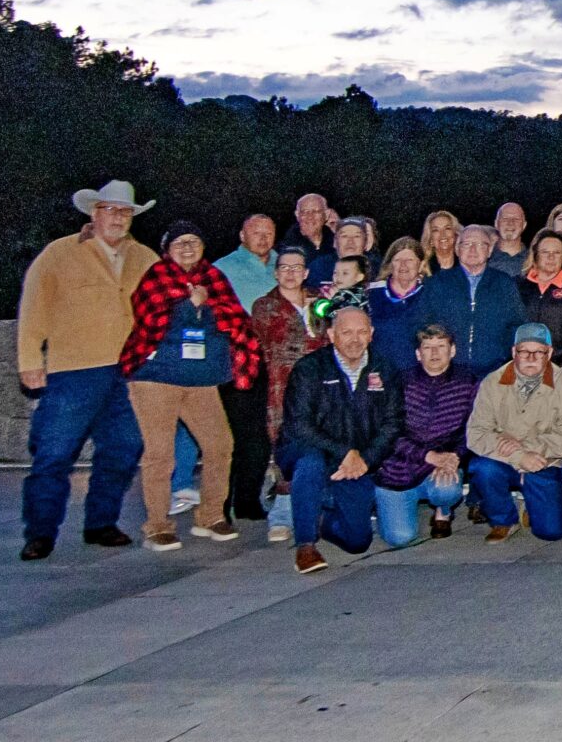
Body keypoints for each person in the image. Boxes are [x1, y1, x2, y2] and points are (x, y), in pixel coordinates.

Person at [16, 179, 158, 559]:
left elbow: (165, 306)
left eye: (125, 212)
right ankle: (40, 532)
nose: (118, 218)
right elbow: (33, 308)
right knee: (54, 452)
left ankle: (101, 522)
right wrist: (30, 361)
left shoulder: (145, 258)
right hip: (73, 371)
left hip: (130, 372)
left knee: (124, 448)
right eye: (110, 210)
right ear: (94, 213)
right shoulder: (59, 253)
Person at [119, 220, 261, 550]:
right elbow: (149, 315)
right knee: (160, 454)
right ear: (167, 250)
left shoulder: (214, 278)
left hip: (200, 379)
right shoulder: (156, 277)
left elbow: (236, 319)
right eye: (179, 243)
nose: (187, 248)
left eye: (193, 242)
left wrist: (205, 304)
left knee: (220, 444)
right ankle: (157, 526)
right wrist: (189, 303)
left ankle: (210, 515)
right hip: (157, 377)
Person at [272, 305, 397, 571]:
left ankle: (320, 515)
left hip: (357, 460)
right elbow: (299, 424)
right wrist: (344, 452)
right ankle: (306, 545)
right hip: (310, 448)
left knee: (358, 541)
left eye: (361, 332)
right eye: (346, 332)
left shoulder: (385, 369)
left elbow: (393, 423)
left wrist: (365, 459)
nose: (355, 339)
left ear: (372, 334)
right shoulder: (309, 368)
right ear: (331, 335)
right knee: (311, 463)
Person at [465, 324, 562, 542]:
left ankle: (533, 504)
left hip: (543, 461)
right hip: (502, 458)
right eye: (524, 351)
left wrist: (528, 451)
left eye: (538, 352)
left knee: (552, 532)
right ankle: (503, 520)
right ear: (514, 352)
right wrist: (519, 456)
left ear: (549, 352)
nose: (531, 358)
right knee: (483, 468)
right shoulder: (492, 382)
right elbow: (476, 433)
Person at [372, 323, 476, 548]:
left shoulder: (468, 381)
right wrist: (428, 456)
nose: (435, 353)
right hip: (397, 469)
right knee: (400, 538)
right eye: (428, 347)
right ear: (418, 354)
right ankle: (387, 508)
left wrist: (455, 457)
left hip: (440, 465)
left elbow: (474, 427)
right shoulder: (398, 382)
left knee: (447, 490)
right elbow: (387, 433)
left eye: (441, 346)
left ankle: (443, 510)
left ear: (452, 350)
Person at [241, 248, 322, 532]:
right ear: (276, 273)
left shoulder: (320, 302)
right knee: (284, 444)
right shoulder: (265, 306)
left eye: (297, 267)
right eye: (284, 267)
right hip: (281, 386)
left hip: (319, 387)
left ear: (306, 273)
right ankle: (283, 511)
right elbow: (279, 343)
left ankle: (316, 507)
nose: (290, 273)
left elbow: (332, 336)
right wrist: (312, 329)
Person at [415, 225, 527, 376]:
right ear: (457, 249)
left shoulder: (504, 283)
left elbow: (518, 324)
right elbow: (421, 324)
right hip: (447, 373)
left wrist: (502, 354)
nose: (473, 249)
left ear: (489, 251)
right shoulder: (437, 283)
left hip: (493, 371)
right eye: (467, 244)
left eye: (480, 244)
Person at [515, 229, 562, 376]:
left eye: (556, 253)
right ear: (535, 254)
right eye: (545, 252)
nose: (551, 257)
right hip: (521, 363)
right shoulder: (517, 285)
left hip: (561, 365)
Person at [367, 238, 428, 373]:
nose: (403, 265)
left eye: (410, 260)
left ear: (421, 264)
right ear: (390, 265)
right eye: (397, 260)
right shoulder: (371, 293)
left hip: (419, 374)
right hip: (379, 373)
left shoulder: (430, 294)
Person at [216, 214, 280, 311]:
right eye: (256, 233)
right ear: (242, 236)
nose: (263, 238)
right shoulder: (222, 268)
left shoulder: (286, 264)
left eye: (269, 233)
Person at [486, 203, 531, 276]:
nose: (510, 223)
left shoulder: (534, 261)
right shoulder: (483, 258)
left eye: (516, 219)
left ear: (524, 225)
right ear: (496, 223)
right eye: (505, 218)